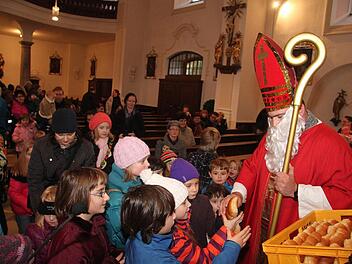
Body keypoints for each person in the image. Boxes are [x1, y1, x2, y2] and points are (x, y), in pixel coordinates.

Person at [222, 33, 352, 263]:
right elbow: (252, 167)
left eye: (280, 117)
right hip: (259, 235)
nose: (273, 125)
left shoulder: (332, 144)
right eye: (270, 118)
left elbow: (346, 197)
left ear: (299, 111)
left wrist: (296, 191)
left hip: (295, 242)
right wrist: (237, 193)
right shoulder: (275, 135)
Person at [140, 169, 251, 264]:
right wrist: (232, 246)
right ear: (166, 211)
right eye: (183, 202)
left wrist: (226, 227)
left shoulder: (174, 227)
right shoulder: (176, 240)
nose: (189, 204)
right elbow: (204, 259)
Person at [47, 168, 122, 263]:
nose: (107, 197)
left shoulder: (94, 221)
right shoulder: (71, 245)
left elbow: (104, 250)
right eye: (100, 193)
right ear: (80, 198)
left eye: (105, 191)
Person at [28, 108, 96, 212]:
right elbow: (34, 180)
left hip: (74, 202)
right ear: (53, 132)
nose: (65, 139)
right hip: (46, 199)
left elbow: (88, 181)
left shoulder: (86, 148)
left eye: (70, 134)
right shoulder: (41, 146)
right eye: (60, 135)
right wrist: (40, 210)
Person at [105, 136, 150, 249]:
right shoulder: (116, 201)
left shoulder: (137, 181)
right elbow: (126, 234)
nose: (148, 164)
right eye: (142, 161)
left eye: (147, 159)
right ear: (126, 165)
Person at [122, 185, 179, 264]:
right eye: (170, 214)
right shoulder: (163, 260)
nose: (174, 216)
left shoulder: (134, 238)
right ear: (153, 222)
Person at [170, 158, 215, 248]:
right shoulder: (172, 207)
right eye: (189, 185)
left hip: (203, 248)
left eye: (196, 184)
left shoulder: (204, 201)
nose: (194, 189)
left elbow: (211, 229)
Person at [26, 185, 58, 264]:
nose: (51, 218)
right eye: (47, 214)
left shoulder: (69, 231)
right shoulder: (33, 231)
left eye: (55, 214)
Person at [8, 145, 34, 233]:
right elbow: (13, 193)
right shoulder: (18, 170)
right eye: (30, 154)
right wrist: (28, 204)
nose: (33, 157)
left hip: (34, 208)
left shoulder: (38, 167)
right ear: (24, 155)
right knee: (25, 234)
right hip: (23, 210)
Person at [187, 127, 221, 191]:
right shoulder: (215, 158)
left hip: (194, 189)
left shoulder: (192, 156)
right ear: (216, 143)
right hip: (210, 192)